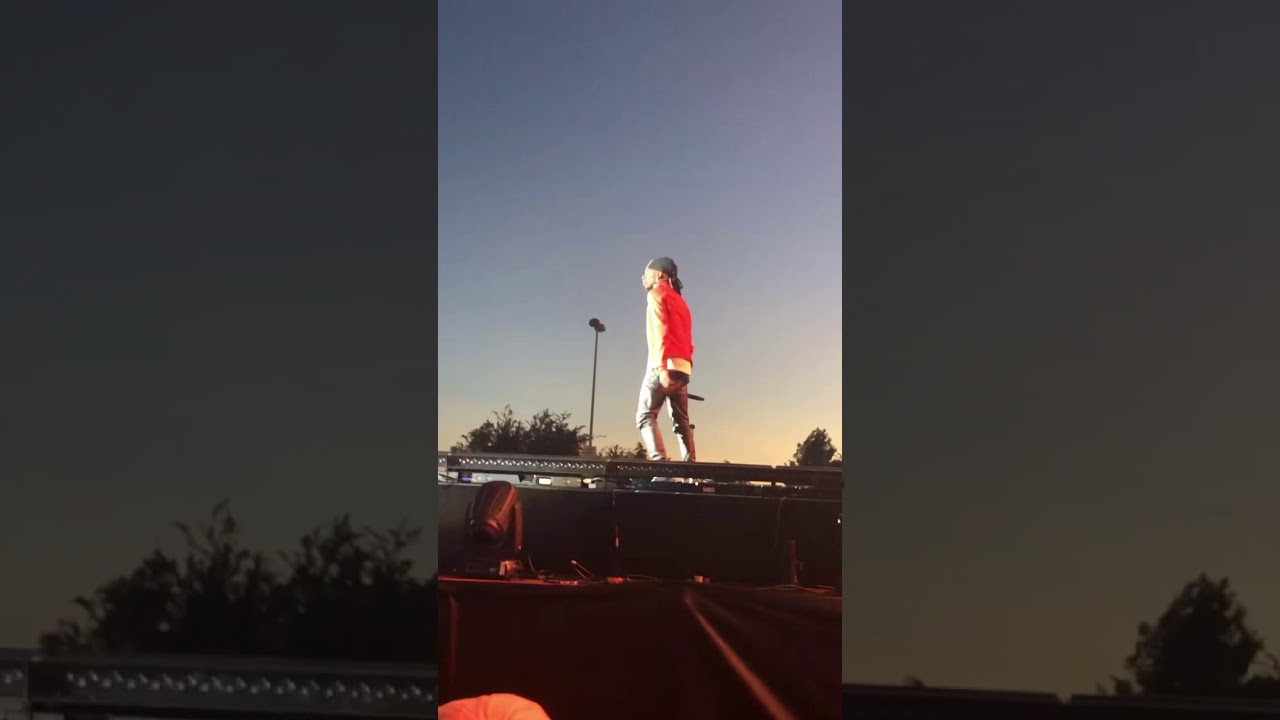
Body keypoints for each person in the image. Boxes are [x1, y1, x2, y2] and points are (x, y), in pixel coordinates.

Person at [636, 257, 695, 466]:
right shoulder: (681, 301)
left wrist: (662, 367)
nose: (643, 277)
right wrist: (686, 367)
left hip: (663, 364)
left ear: (660, 275)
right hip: (683, 366)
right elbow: (688, 337)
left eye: (647, 272)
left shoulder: (656, 294)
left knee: (645, 416)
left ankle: (659, 465)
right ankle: (691, 470)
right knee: (682, 422)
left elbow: (661, 329)